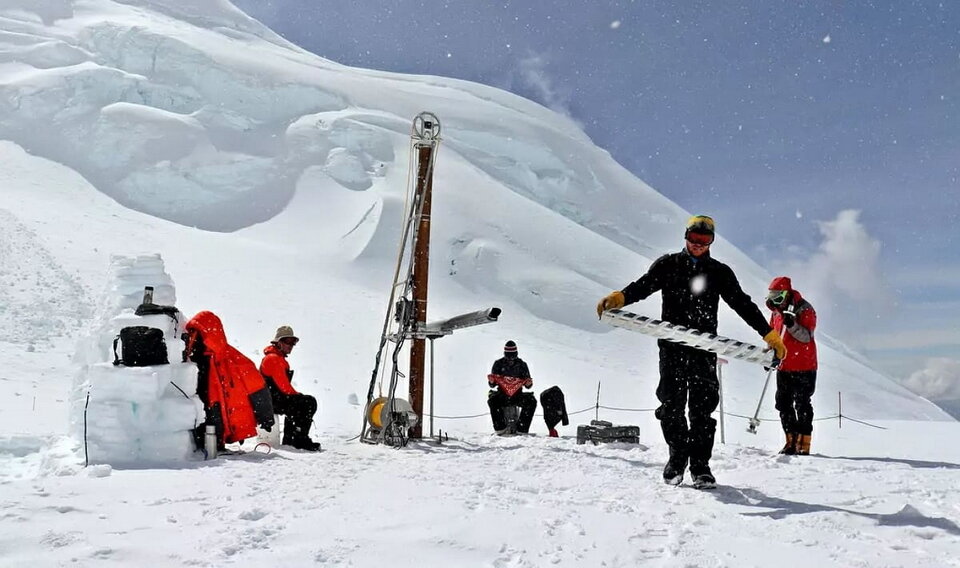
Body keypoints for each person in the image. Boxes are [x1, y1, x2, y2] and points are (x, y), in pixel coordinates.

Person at [596, 215, 787, 489]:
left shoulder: (719, 272)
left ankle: (701, 466)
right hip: (672, 349)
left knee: (702, 410)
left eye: (704, 241)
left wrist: (767, 334)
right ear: (685, 237)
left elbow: (741, 303)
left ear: (712, 242)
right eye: (693, 239)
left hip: (704, 350)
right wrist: (620, 298)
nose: (698, 245)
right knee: (671, 406)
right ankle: (676, 460)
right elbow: (643, 286)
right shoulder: (668, 265)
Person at [765, 276, 818, 455]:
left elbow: (806, 337)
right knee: (783, 403)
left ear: (787, 293)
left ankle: (804, 444)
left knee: (802, 403)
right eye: (772, 295)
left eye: (778, 295)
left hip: (804, 365)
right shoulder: (775, 312)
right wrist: (769, 355)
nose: (774, 299)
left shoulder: (805, 309)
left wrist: (792, 324)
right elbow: (773, 335)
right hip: (784, 365)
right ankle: (790, 441)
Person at [259, 326, 321, 451]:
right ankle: (299, 439)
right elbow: (285, 388)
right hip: (271, 400)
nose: (290, 345)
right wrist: (300, 396)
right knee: (308, 402)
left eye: (293, 342)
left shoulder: (278, 358)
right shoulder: (274, 359)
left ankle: (290, 439)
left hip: (271, 399)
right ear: (278, 343)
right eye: (287, 341)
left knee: (297, 404)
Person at [487, 340, 538, 434]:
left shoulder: (522, 365)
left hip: (517, 395)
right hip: (502, 394)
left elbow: (528, 386)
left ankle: (522, 429)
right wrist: (491, 381)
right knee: (492, 401)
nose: (510, 359)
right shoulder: (498, 364)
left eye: (512, 356)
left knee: (531, 401)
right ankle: (500, 428)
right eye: (508, 356)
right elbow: (492, 384)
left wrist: (528, 383)